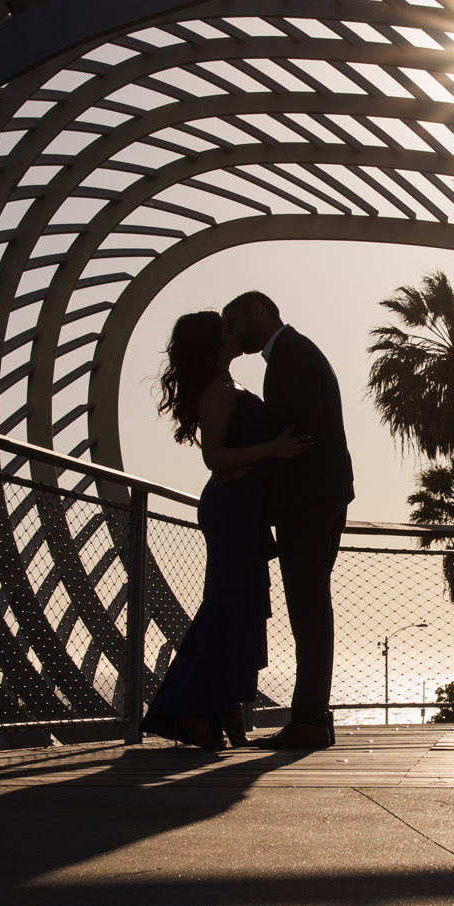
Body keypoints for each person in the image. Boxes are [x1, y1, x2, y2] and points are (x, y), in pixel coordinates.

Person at [140, 310, 310, 750]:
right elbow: (214, 457)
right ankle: (188, 708)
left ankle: (227, 721)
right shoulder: (217, 392)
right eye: (226, 328)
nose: (234, 332)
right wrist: (270, 449)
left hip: (245, 510)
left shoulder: (229, 385)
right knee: (227, 611)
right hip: (230, 509)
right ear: (214, 344)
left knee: (242, 614)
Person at [223, 290, 355, 749]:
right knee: (309, 604)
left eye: (234, 321)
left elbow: (300, 430)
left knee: (308, 606)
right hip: (318, 494)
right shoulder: (295, 353)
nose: (232, 332)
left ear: (259, 311)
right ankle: (311, 716)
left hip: (309, 497)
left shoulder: (291, 356)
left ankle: (310, 720)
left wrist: (260, 467)